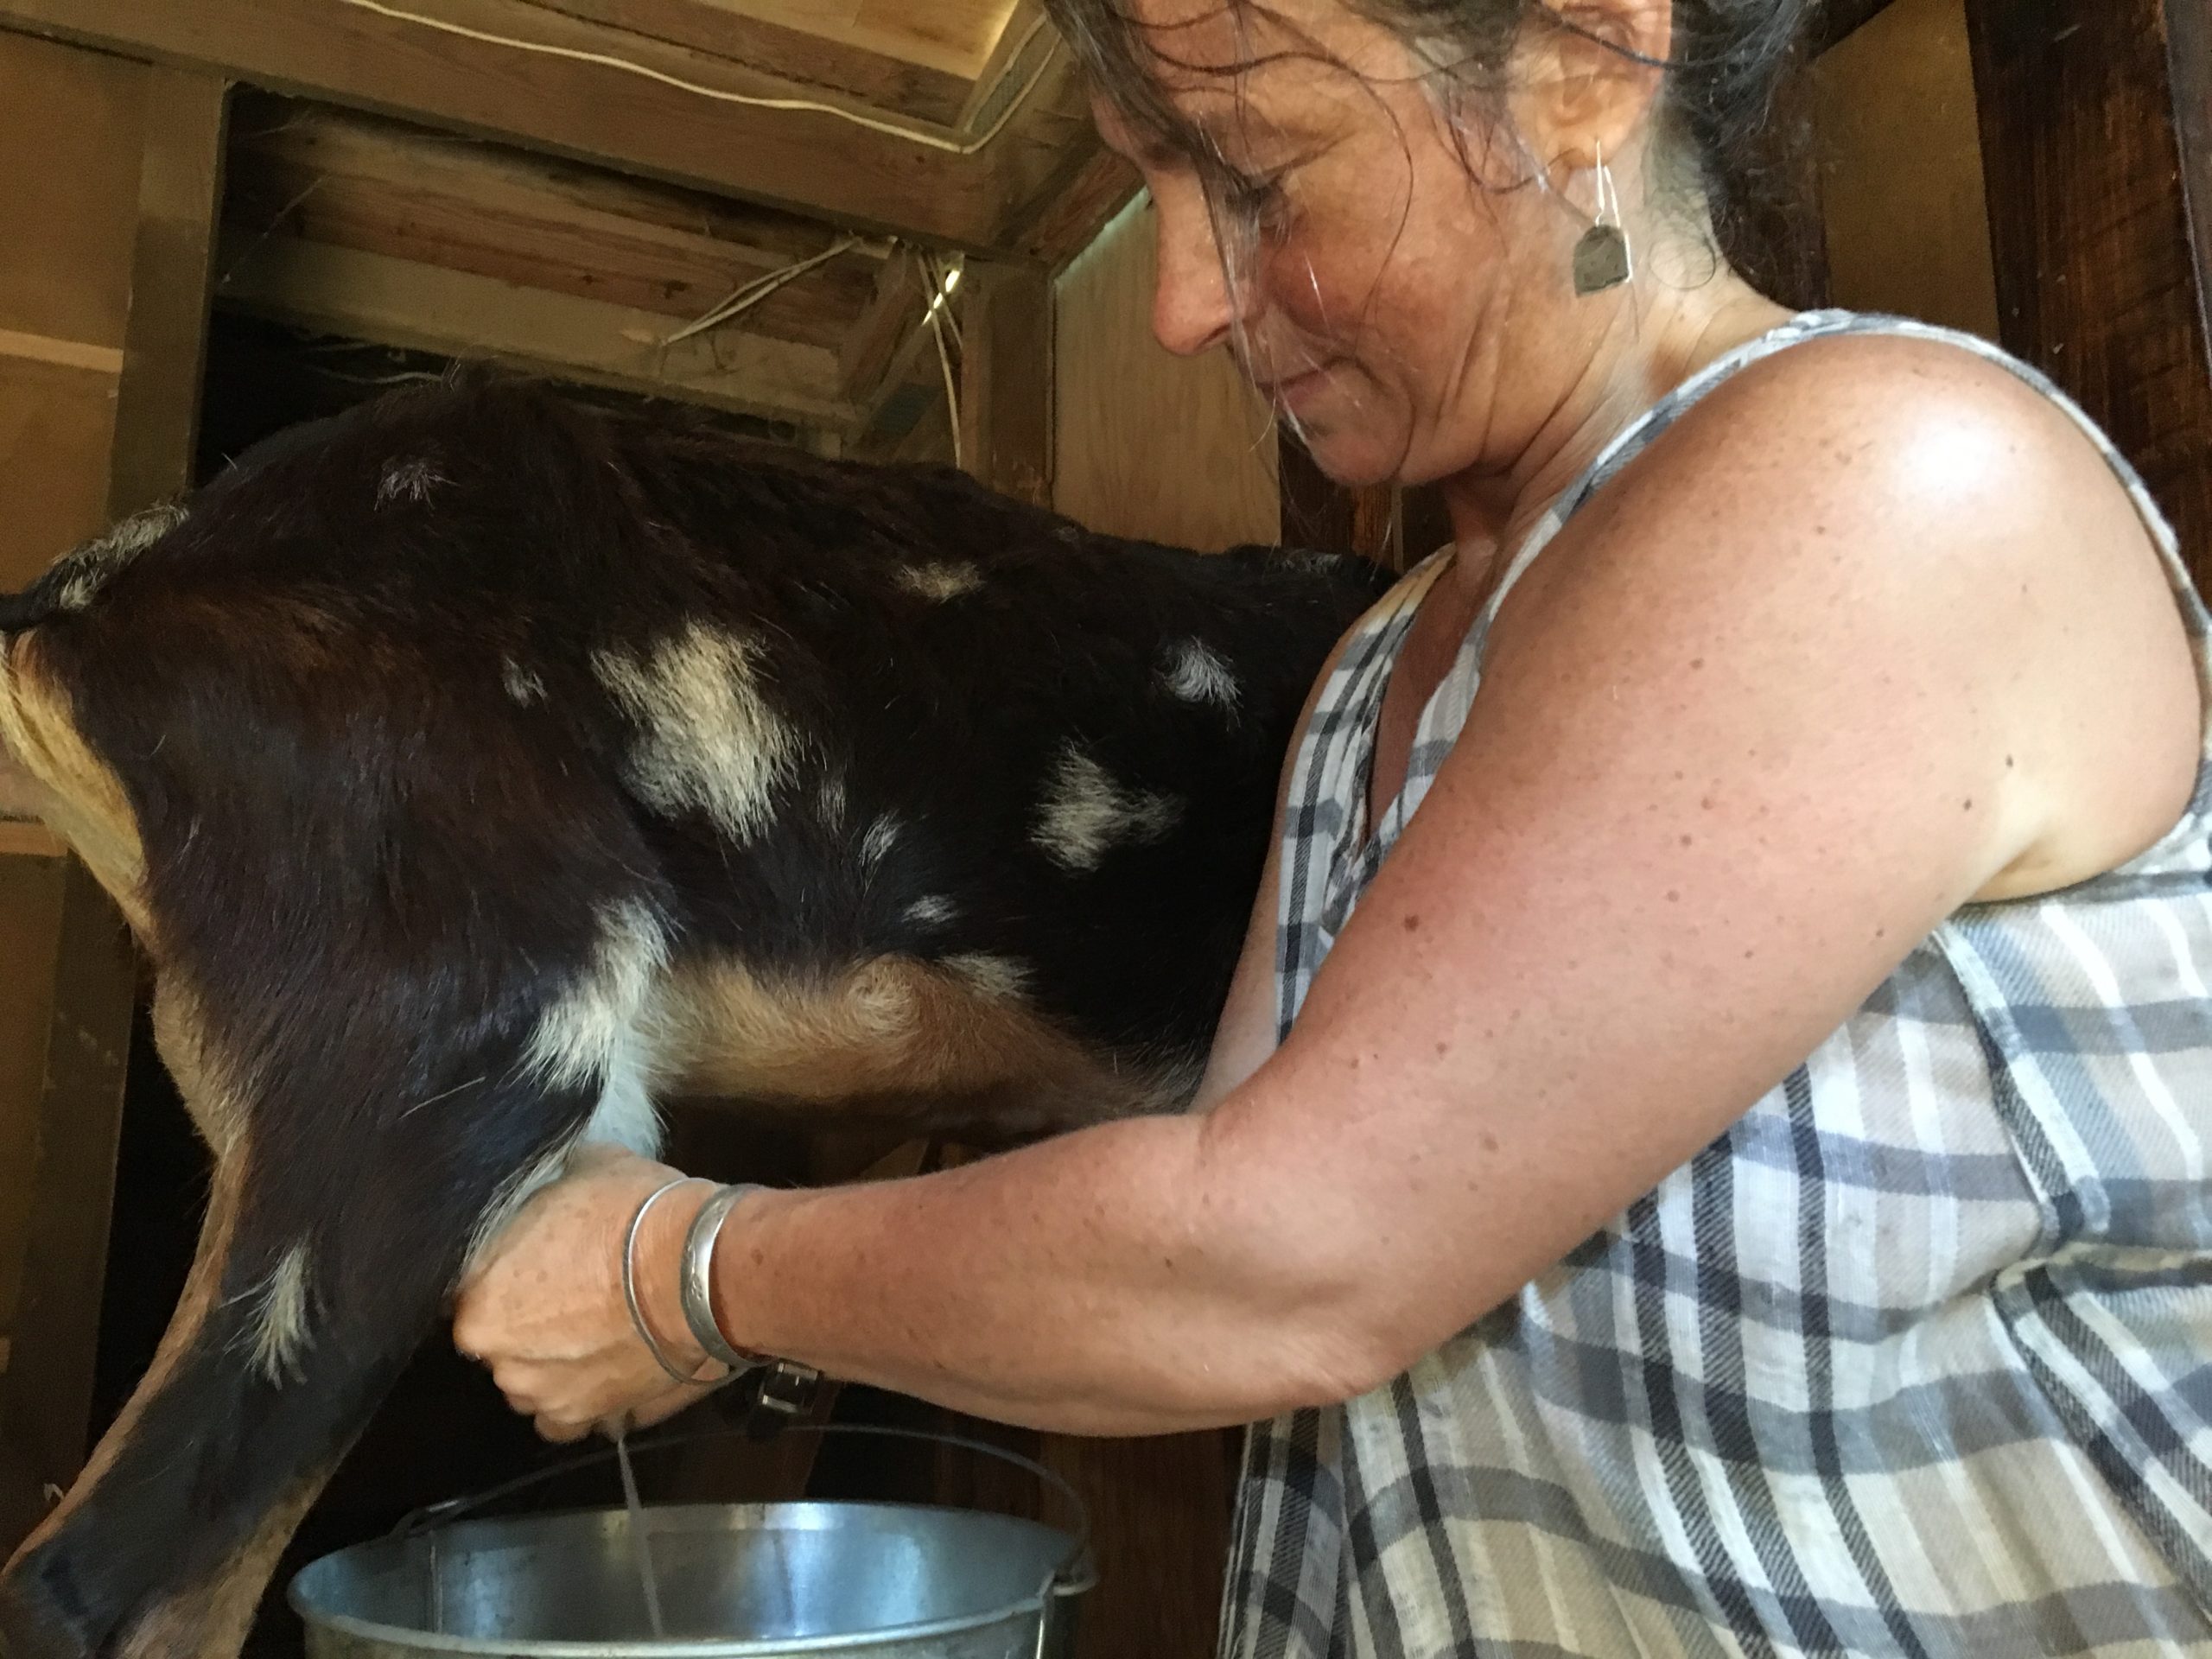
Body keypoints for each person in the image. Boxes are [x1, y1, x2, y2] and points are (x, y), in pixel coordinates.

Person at [453, 0, 2212, 1650]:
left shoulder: (1877, 483)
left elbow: (1281, 1261)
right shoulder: (1379, 666)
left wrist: (685, 1273)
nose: (1181, 305)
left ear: (1584, 56)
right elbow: (1187, 1246)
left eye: (1250, 173)